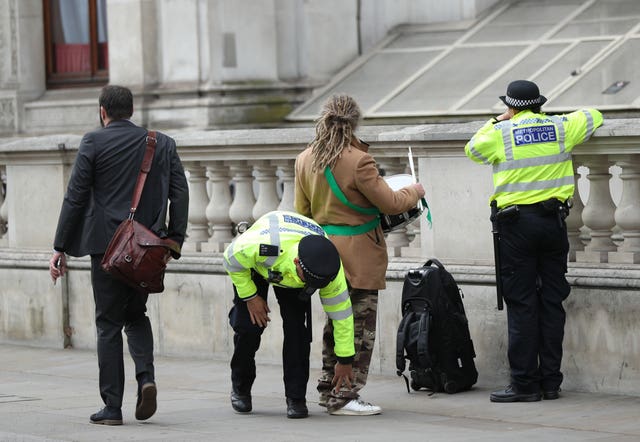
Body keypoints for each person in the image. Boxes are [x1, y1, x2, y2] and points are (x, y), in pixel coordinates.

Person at [49, 85, 189, 425]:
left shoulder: (93, 142)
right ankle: (146, 378)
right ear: (130, 110)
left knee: (108, 323)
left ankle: (112, 407)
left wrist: (60, 246)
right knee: (136, 315)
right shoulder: (161, 143)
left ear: (102, 111)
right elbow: (180, 192)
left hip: (106, 248)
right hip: (146, 248)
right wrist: (174, 240)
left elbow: (75, 197)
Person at [464, 79, 603, 403]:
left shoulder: (501, 133)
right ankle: (551, 382)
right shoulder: (560, 127)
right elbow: (594, 115)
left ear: (511, 107)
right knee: (552, 301)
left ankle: (525, 384)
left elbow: (472, 149)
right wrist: (550, 118)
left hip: (515, 227)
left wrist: (499, 120)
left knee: (522, 303)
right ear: (539, 103)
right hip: (553, 223)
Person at [294, 94, 425, 415]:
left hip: (326, 254)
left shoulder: (305, 158)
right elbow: (392, 204)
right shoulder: (359, 161)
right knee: (359, 328)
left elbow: (302, 212)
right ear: (354, 123)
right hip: (360, 255)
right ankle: (346, 396)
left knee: (336, 324)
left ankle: (329, 390)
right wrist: (415, 191)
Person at [223, 210, 356, 419]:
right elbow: (231, 258)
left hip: (293, 274)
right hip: (260, 266)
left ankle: (296, 398)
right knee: (248, 328)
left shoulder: (329, 269)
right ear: (297, 264)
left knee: (297, 333)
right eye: (310, 282)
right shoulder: (260, 245)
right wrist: (251, 296)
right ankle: (240, 387)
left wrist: (345, 359)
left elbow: (342, 315)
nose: (313, 287)